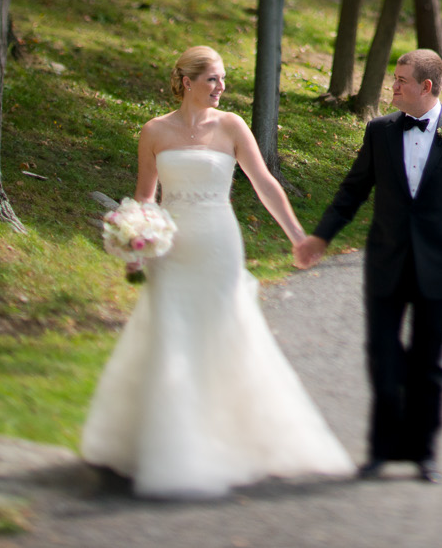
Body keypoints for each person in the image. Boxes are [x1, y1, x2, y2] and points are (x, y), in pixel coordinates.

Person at [82, 46, 353, 498]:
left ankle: (231, 437)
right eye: (213, 80)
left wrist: (297, 236)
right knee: (171, 335)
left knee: (221, 332)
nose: (221, 88)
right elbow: (145, 197)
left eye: (223, 79)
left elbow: (265, 183)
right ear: (186, 81)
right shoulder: (153, 131)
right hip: (170, 247)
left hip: (218, 244)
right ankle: (169, 444)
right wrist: (136, 241)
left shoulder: (232, 127)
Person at [294, 49, 442, 484]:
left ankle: (423, 452)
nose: (393, 86)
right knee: (383, 358)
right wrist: (321, 236)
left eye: (401, 80)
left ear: (426, 87)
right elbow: (353, 190)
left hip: (441, 264)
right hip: (386, 261)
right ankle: (380, 449)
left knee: (428, 362)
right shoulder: (380, 132)